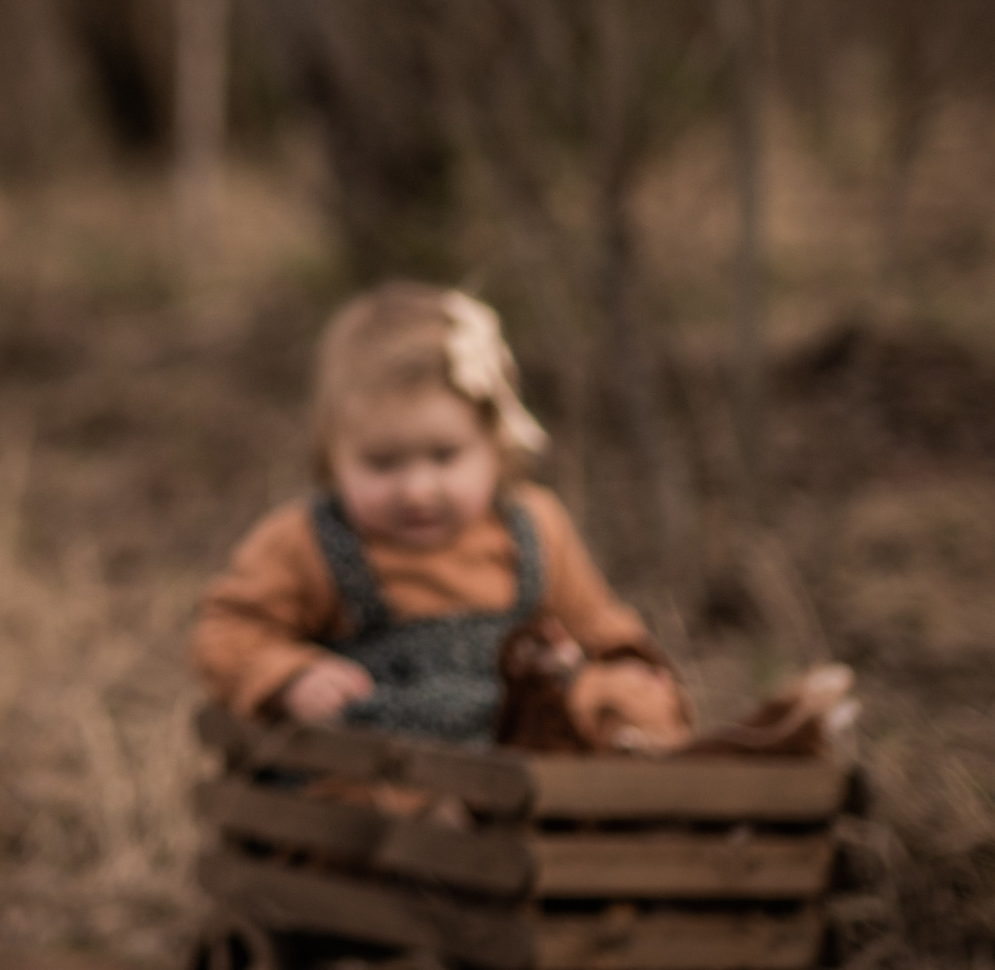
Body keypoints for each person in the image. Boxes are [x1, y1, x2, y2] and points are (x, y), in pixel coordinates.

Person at [191, 283, 685, 752]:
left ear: (495, 445)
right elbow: (227, 632)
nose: (417, 490)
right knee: (395, 799)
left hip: (517, 748)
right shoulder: (307, 541)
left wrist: (618, 667)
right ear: (332, 456)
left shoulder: (535, 526)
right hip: (383, 763)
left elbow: (597, 624)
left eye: (445, 457)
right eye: (382, 463)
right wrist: (290, 676)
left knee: (622, 701)